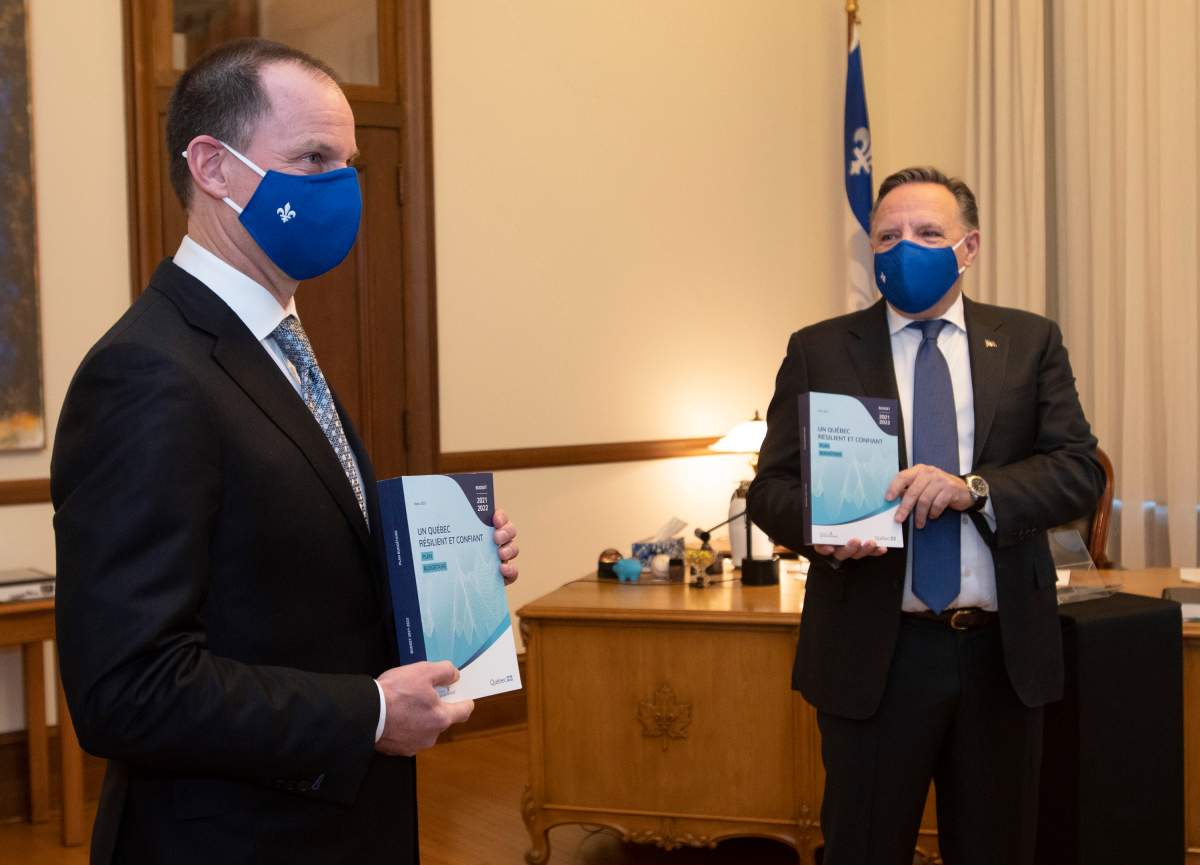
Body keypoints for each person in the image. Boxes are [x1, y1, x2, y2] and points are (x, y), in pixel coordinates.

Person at [51, 38, 519, 865]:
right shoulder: (146, 371)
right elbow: (127, 687)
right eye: (313, 159)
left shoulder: (277, 341)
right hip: (234, 838)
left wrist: (440, 566)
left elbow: (287, 575)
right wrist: (370, 713)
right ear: (212, 167)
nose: (342, 187)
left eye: (349, 163)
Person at [748, 166, 1104, 865]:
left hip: (1002, 655)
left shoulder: (1029, 341)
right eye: (888, 236)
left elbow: (1077, 470)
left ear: (969, 247)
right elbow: (772, 489)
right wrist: (824, 533)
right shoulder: (820, 349)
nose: (904, 247)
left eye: (928, 233)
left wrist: (977, 489)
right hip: (876, 656)